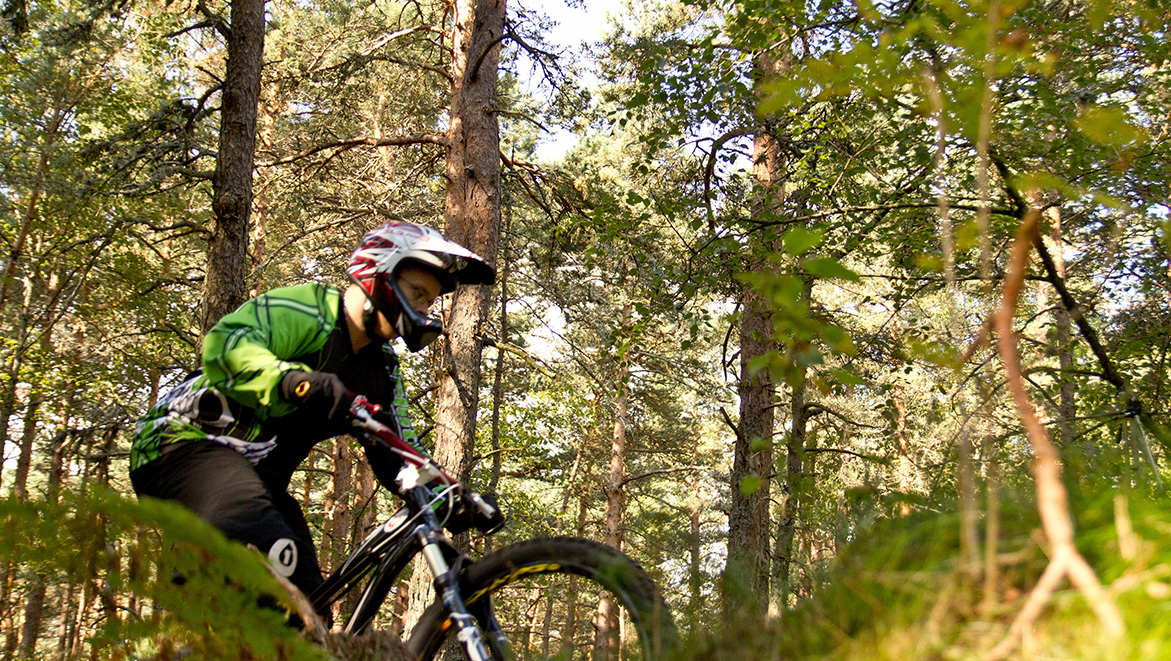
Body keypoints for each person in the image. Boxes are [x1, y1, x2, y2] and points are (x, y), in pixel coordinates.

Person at [129, 221, 499, 613]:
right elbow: (226, 343)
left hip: (258, 487)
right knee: (272, 549)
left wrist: (452, 497)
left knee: (309, 611)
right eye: (418, 293)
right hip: (180, 446)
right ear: (379, 275)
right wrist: (295, 381)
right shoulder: (311, 310)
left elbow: (400, 452)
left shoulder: (381, 373)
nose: (425, 311)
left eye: (430, 301)